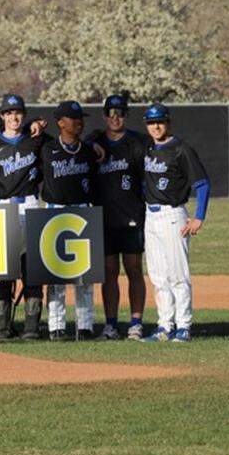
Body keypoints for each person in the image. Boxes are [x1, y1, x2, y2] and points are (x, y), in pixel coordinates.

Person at [140, 103, 209, 343]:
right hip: (151, 216)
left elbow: (202, 184)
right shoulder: (147, 147)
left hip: (172, 215)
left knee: (178, 275)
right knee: (158, 276)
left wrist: (199, 216)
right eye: (151, 122)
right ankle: (164, 326)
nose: (156, 126)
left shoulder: (181, 149)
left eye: (160, 121)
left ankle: (184, 326)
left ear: (168, 122)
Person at [0, 94, 45, 340]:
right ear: (2, 117)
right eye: (8, 113)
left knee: (32, 268)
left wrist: (40, 124)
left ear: (24, 114)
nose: (13, 117)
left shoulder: (36, 140)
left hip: (29, 205)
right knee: (1, 270)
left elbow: (62, 141)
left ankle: (31, 326)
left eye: (17, 112)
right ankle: (2, 326)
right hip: (2, 207)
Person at [39, 100, 100, 341]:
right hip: (55, 210)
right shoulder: (47, 148)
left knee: (84, 274)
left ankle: (85, 325)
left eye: (80, 118)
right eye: (74, 119)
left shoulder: (87, 150)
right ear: (60, 122)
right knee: (56, 275)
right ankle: (56, 326)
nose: (79, 122)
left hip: (82, 210)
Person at [93, 93, 148, 340]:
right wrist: (92, 140)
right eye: (111, 113)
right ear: (104, 115)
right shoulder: (95, 143)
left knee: (134, 269)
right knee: (109, 272)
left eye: (120, 113)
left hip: (131, 215)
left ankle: (136, 323)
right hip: (104, 218)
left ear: (126, 115)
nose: (116, 117)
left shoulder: (138, 142)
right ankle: (111, 324)